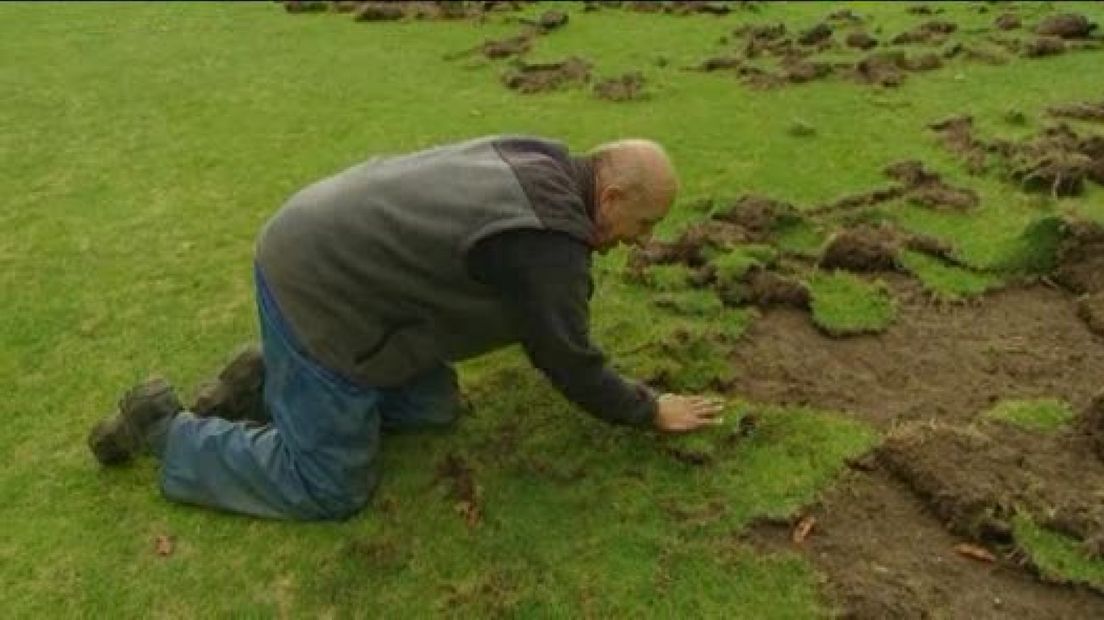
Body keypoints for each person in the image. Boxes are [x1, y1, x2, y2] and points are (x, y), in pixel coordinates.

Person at [87, 135, 725, 520]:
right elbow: (568, 358)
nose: (644, 243)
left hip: (340, 258)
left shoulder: (548, 159)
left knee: (433, 409)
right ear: (610, 198)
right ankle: (169, 432)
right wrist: (649, 410)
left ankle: (269, 376)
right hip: (317, 283)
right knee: (328, 487)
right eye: (644, 226)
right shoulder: (547, 247)